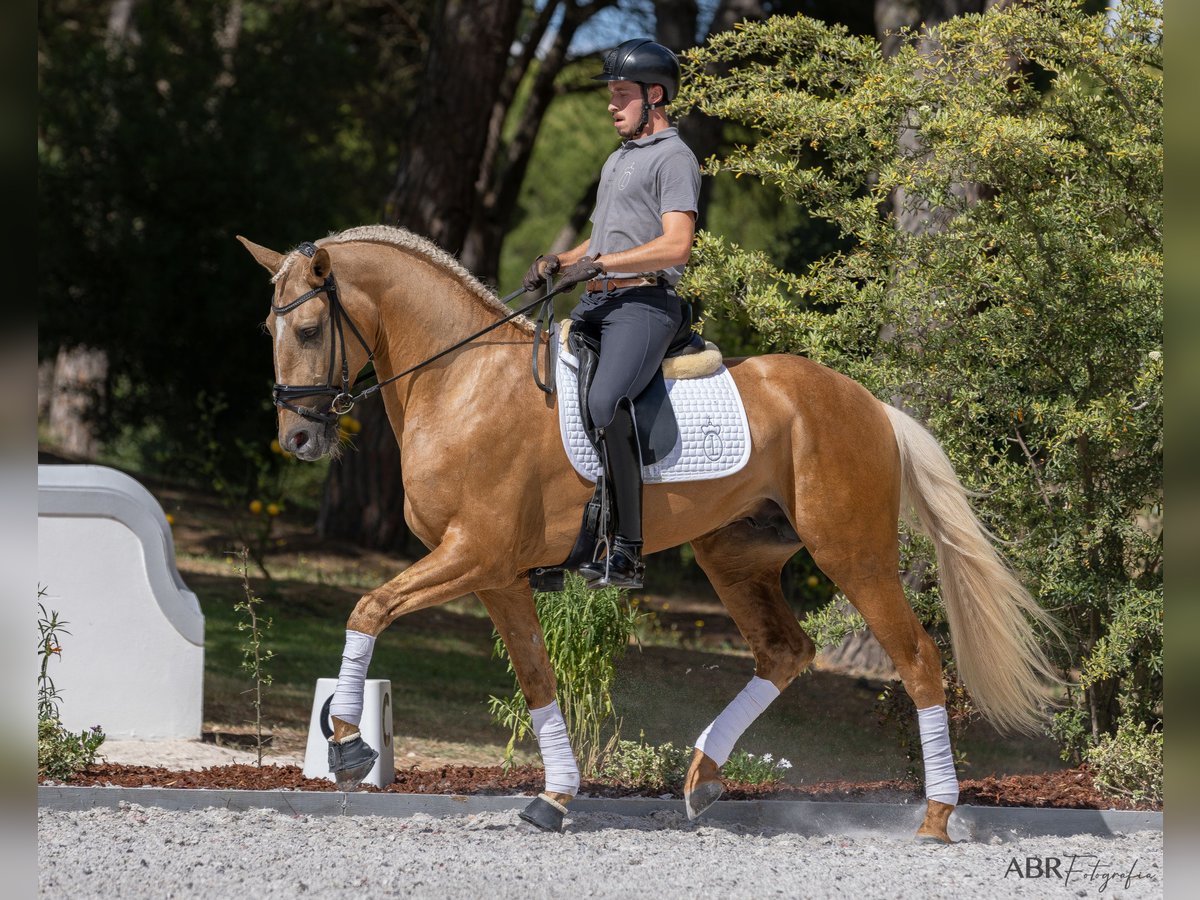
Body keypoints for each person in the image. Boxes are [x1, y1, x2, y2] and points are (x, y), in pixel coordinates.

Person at [524, 38, 701, 589]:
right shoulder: (618, 159)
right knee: (546, 396)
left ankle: (626, 549)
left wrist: (599, 263)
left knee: (605, 399)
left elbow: (676, 246)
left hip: (644, 305)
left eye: (621, 95)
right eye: (611, 95)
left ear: (654, 95)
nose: (611, 105)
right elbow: (599, 242)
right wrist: (561, 261)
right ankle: (568, 538)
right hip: (600, 301)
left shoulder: (675, 157)